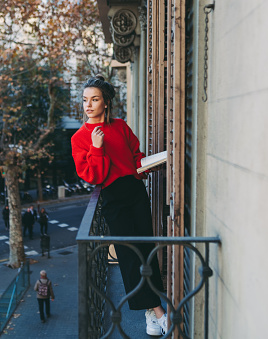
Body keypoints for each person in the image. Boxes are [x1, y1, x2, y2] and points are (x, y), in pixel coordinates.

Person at [71, 74, 168, 336]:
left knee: (146, 247)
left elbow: (135, 153)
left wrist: (144, 166)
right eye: (85, 100)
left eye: (94, 99)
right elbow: (94, 176)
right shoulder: (80, 137)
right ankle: (157, 311)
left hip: (136, 192)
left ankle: (152, 310)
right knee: (128, 254)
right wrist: (97, 148)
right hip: (113, 198)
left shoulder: (121, 126)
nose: (88, 105)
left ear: (106, 102)